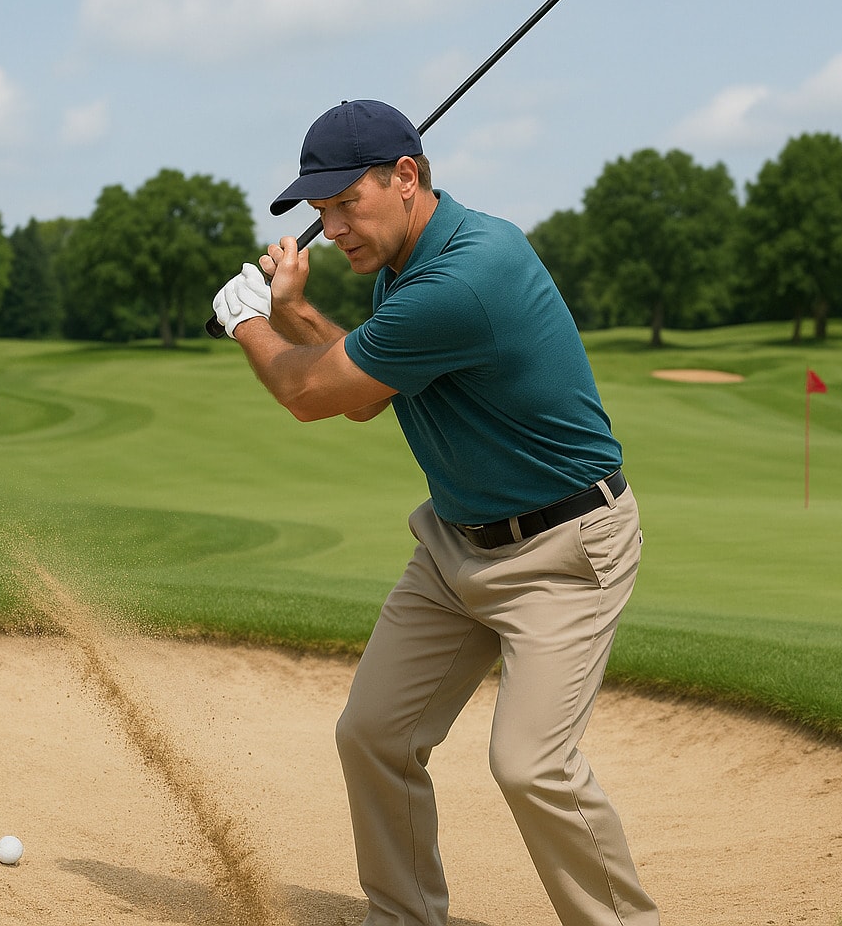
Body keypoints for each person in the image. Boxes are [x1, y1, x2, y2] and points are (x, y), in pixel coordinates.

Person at [211, 99, 659, 926]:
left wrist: (248, 322)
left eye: (349, 204)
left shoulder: (467, 276)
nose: (335, 226)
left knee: (532, 766)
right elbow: (370, 393)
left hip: (564, 550)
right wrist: (294, 308)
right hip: (455, 547)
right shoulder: (405, 266)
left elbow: (314, 394)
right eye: (320, 211)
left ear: (407, 176)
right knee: (374, 735)